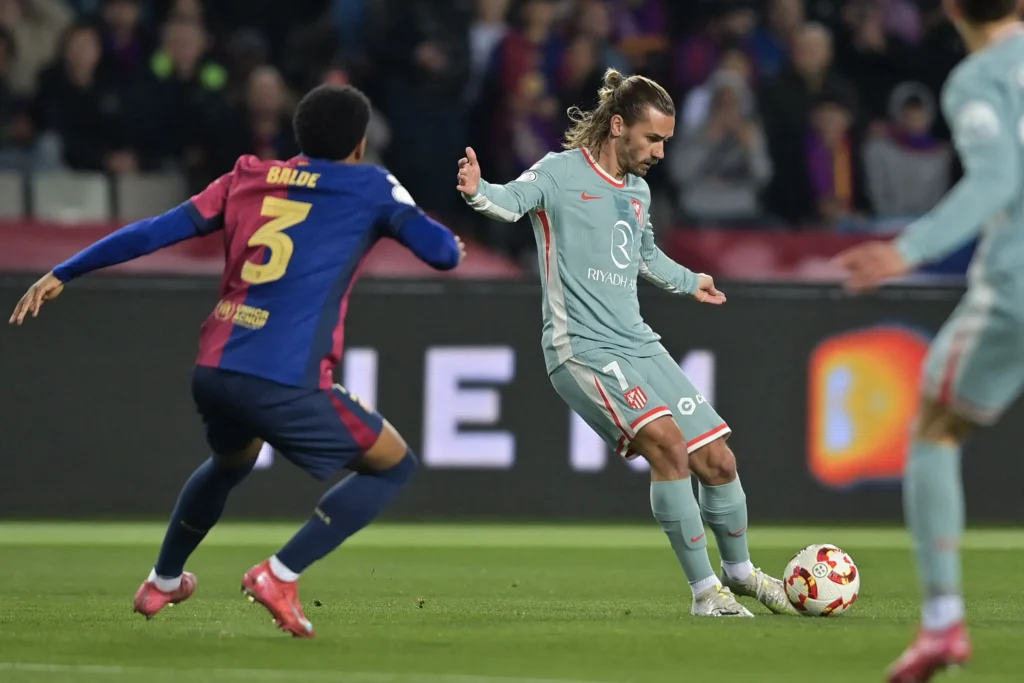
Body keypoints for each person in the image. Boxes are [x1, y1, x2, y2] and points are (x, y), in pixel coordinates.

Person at [9, 83, 464, 638]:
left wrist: (66, 270)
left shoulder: (248, 175)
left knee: (232, 461)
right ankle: (280, 574)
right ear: (360, 144)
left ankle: (163, 580)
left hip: (216, 368)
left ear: (299, 135)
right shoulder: (369, 185)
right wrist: (400, 198)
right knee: (394, 465)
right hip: (284, 376)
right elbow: (443, 254)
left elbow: (154, 231)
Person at [456, 67, 796, 618]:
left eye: (666, 140)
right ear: (618, 126)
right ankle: (706, 593)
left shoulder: (637, 192)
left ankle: (741, 574)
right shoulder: (560, 172)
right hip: (582, 348)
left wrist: (691, 281)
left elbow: (644, 257)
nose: (660, 152)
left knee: (717, 459)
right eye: (652, 138)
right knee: (667, 445)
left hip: (638, 342)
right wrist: (478, 193)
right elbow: (511, 201)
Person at [835, 1, 1024, 680]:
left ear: (951, 8)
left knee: (936, 427)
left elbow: (997, 179)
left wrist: (906, 250)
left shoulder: (979, 78)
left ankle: (943, 622)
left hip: (1017, 285)